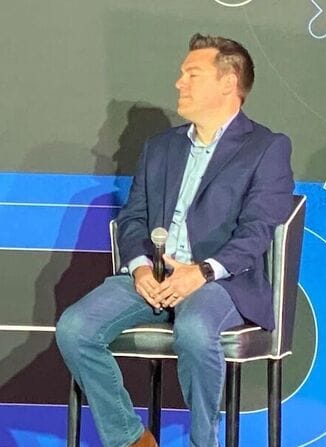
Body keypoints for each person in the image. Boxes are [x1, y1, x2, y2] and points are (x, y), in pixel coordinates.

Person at [56, 34, 295, 447]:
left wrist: (201, 272)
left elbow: (257, 230)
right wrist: (140, 268)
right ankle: (131, 439)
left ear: (228, 82)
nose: (179, 83)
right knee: (75, 328)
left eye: (192, 74)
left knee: (196, 329)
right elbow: (133, 218)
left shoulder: (266, 148)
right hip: (153, 278)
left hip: (220, 282)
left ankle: (203, 442)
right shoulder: (160, 148)